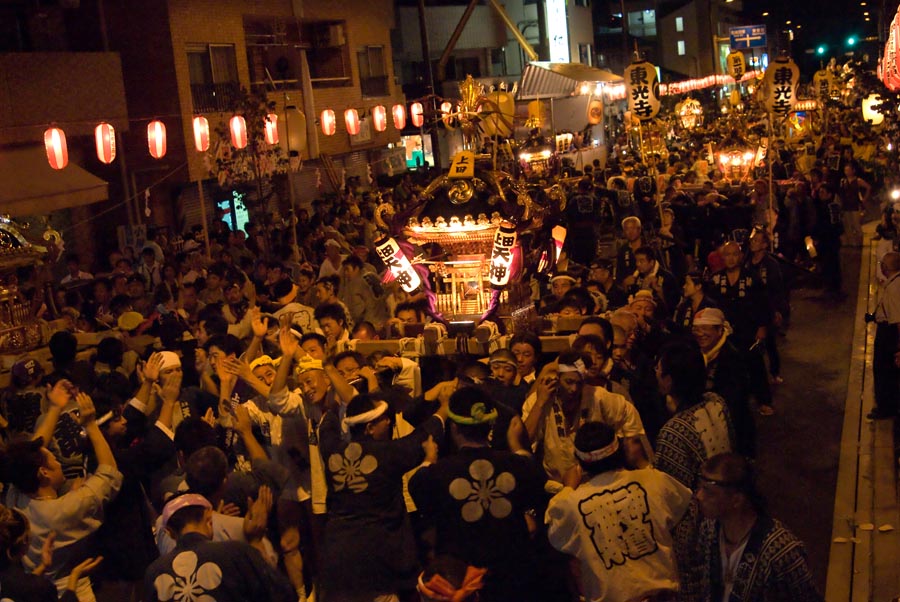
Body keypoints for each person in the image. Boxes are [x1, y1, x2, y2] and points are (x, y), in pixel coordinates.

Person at [408, 387, 546, 602]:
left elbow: (419, 490)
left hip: (459, 578)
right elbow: (534, 477)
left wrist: (428, 458)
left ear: (453, 427)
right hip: (514, 575)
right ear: (490, 426)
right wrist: (516, 443)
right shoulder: (518, 465)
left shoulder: (435, 474)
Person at [545, 422, 692, 602]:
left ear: (581, 463)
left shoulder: (571, 505)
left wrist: (568, 487)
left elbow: (554, 529)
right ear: (620, 450)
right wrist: (641, 464)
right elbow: (683, 505)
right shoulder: (653, 480)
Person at [318, 393, 445, 600]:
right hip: (379, 555)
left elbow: (326, 429)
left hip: (337, 553)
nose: (388, 421)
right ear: (369, 427)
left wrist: (331, 409)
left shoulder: (331, 449)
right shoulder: (389, 453)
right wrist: (444, 409)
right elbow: (423, 437)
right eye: (383, 418)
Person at [1, 389, 123, 600]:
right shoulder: (65, 508)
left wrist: (55, 408)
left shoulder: (15, 495)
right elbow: (109, 475)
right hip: (72, 588)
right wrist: (91, 425)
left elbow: (31, 453)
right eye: (53, 459)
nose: (58, 461)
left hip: (33, 586)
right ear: (44, 472)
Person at [653, 341, 736, 602]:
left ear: (668, 381)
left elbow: (672, 498)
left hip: (697, 537)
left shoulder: (673, 433)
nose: (655, 373)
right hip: (730, 515)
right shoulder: (716, 403)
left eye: (659, 370)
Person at [696, 453, 822, 601]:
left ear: (736, 500)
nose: (699, 496)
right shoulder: (709, 530)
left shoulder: (780, 552)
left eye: (709, 492)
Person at [522, 350, 647, 484]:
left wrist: (630, 440)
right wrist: (540, 403)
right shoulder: (540, 399)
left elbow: (627, 412)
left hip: (596, 482)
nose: (574, 389)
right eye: (569, 382)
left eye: (579, 383)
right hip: (555, 485)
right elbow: (523, 441)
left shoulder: (597, 396)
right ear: (557, 378)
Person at [144, 492, 296, 602]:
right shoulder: (237, 552)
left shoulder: (154, 573)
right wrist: (256, 540)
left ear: (169, 532)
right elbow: (282, 593)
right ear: (209, 519)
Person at [0, 504, 103, 602]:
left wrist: (43, 567)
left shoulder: (10, 574)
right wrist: (74, 576)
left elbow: (18, 588)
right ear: (24, 541)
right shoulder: (41, 588)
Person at [868, 251, 900, 419]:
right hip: (888, 331)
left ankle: (886, 407)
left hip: (889, 334)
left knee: (883, 370)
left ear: (886, 267)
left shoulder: (894, 288)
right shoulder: (894, 284)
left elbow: (898, 319)